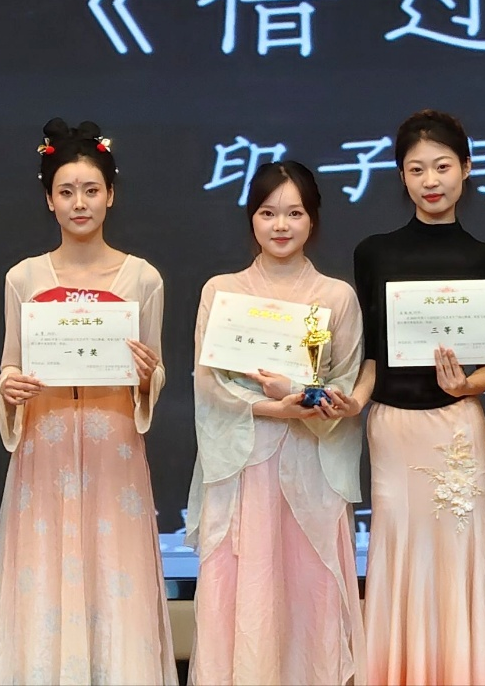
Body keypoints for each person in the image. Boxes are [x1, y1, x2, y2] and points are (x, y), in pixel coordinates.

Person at [0, 119, 177, 685]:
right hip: (45, 449)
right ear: (49, 200)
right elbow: (11, 363)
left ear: (111, 194)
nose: (79, 203)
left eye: (91, 190)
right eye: (66, 191)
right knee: (43, 577)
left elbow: (156, 369)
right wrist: (9, 387)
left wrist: (148, 376)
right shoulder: (24, 278)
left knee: (116, 576)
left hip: (113, 449)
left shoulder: (142, 279)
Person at [347, 109, 485, 686]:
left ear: (466, 168)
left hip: (458, 426)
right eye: (416, 169)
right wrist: (353, 401)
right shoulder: (373, 253)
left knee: (461, 560)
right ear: (401, 176)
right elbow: (371, 355)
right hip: (394, 428)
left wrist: (468, 385)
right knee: (400, 556)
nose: (431, 180)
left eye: (442, 166)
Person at [187, 161, 366, 685]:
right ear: (252, 219)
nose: (280, 225)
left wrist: (302, 397)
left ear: (313, 219)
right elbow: (209, 384)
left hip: (311, 466)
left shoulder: (336, 296)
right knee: (242, 594)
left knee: (310, 593)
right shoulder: (221, 291)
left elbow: (344, 382)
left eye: (294, 213)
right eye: (268, 213)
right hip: (242, 468)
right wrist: (277, 408)